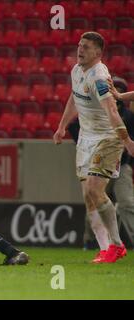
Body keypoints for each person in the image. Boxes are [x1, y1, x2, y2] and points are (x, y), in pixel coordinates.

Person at [53, 31, 134, 263]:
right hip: (85, 139)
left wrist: (126, 141)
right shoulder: (77, 70)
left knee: (94, 191)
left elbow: (111, 110)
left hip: (107, 138)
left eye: (86, 47)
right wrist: (61, 126)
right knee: (88, 196)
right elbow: (74, 97)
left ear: (98, 53)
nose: (80, 49)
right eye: (79, 45)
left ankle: (117, 246)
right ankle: (104, 248)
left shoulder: (99, 77)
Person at [69, 76, 134, 249]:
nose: (116, 93)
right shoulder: (97, 110)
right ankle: (93, 241)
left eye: (120, 91)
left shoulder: (128, 115)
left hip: (123, 165)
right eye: (115, 90)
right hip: (98, 160)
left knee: (126, 203)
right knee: (92, 195)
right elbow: (74, 125)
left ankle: (120, 242)